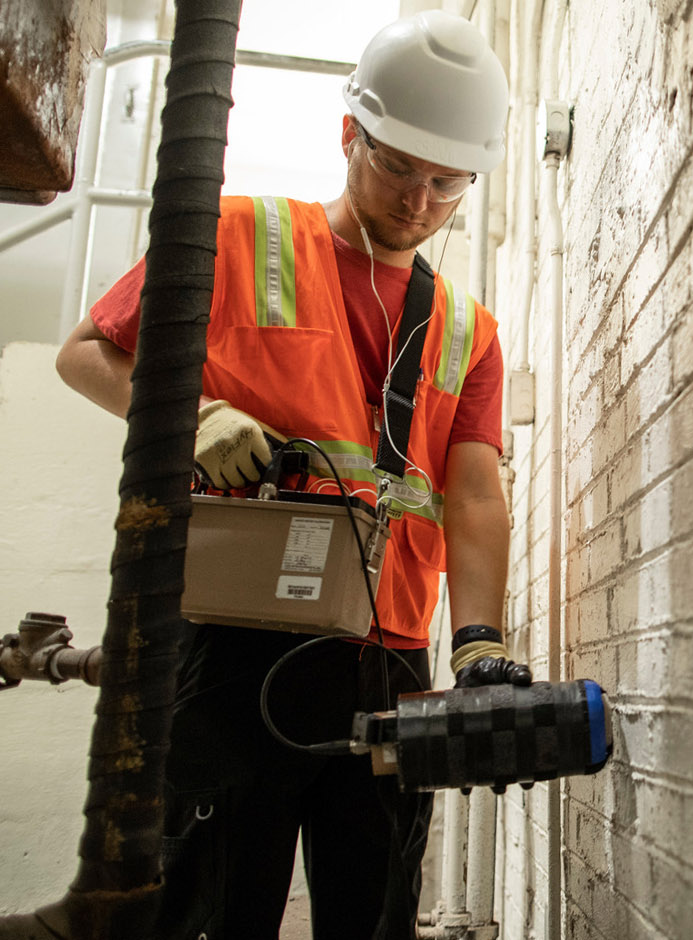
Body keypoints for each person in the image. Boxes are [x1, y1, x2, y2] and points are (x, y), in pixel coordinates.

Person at [55, 11, 525, 940]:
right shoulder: (236, 237)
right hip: (237, 638)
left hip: (388, 654)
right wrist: (191, 418)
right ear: (350, 132)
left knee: (376, 911)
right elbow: (83, 356)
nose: (420, 200)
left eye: (447, 181)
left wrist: (475, 641)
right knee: (209, 909)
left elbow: (473, 493)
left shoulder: (470, 331)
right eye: (398, 166)